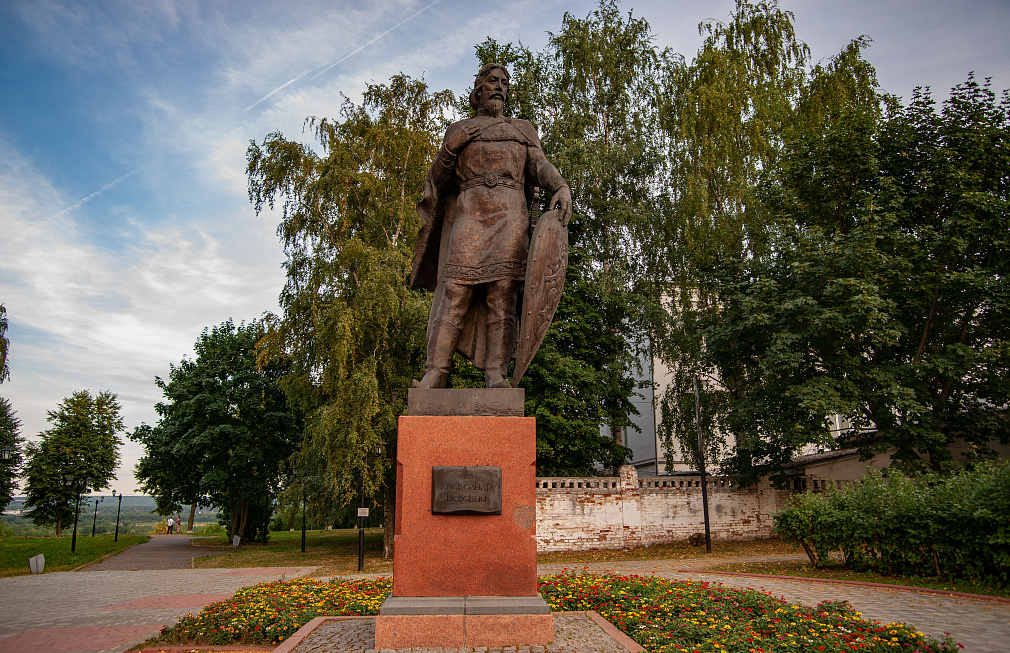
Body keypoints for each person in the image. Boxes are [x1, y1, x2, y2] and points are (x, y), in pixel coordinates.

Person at [410, 63, 571, 388]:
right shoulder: (460, 130)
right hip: (470, 215)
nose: (500, 86)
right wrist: (450, 148)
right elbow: (436, 182)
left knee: (503, 296)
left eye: (504, 82)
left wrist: (560, 185)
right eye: (493, 81)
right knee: (455, 291)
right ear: (478, 90)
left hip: (511, 217)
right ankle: (435, 372)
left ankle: (496, 376)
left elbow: (540, 165)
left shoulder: (522, 129)